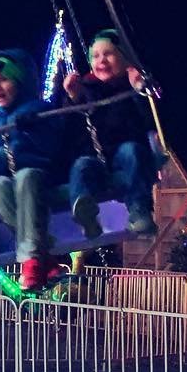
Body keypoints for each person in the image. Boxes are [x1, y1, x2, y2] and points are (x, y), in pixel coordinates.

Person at [0, 48, 64, 292]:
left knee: (25, 177)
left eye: (4, 79)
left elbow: (57, 145)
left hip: (36, 174)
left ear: (20, 81)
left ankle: (30, 260)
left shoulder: (39, 109)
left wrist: (33, 128)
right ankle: (41, 257)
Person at [62, 29, 158, 238]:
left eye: (108, 54)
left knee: (132, 150)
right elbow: (69, 131)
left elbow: (150, 121)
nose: (101, 60)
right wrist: (72, 98)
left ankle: (139, 210)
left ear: (124, 59)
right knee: (80, 165)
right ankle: (84, 213)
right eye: (95, 56)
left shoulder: (132, 87)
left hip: (125, 157)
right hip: (96, 158)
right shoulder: (86, 89)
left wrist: (139, 89)